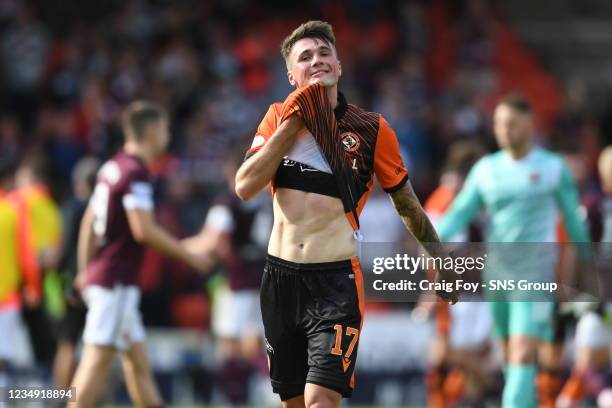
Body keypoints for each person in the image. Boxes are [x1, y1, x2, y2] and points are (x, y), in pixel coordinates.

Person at [235, 20, 456, 408]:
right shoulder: (275, 117)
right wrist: (293, 124)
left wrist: (441, 261)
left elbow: (406, 202)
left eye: (324, 53)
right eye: (305, 57)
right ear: (292, 76)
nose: (317, 60)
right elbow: (245, 185)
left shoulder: (371, 130)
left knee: (321, 401)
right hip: (280, 281)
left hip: (335, 282)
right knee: (295, 403)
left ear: (339, 65)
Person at [437, 95, 591, 408]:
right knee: (511, 357)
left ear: (529, 126)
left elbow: (574, 223)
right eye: (499, 123)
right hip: (496, 275)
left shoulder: (551, 168)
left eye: (511, 124)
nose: (504, 130)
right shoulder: (486, 170)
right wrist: (428, 239)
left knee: (522, 352)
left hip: (535, 275)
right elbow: (459, 214)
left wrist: (591, 262)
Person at [69, 101, 209, 408]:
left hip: (108, 279)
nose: (167, 134)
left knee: (138, 362)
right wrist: (188, 255)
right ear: (150, 131)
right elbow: (143, 230)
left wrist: (83, 271)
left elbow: (88, 223)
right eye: (164, 128)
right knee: (95, 361)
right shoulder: (136, 172)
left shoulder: (112, 166)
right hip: (115, 283)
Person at [52, 156, 100, 390]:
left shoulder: (72, 208)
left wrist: (67, 283)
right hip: (101, 283)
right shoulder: (106, 208)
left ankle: (62, 397)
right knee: (97, 346)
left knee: (67, 342)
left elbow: (65, 250)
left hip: (76, 282)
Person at [0, 158, 40, 378]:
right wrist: (33, 287)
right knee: (7, 358)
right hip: (6, 298)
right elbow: (27, 256)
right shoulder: (13, 212)